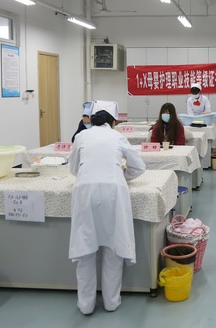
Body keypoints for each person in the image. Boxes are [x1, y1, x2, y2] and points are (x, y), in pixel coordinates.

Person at [68, 102, 146, 315]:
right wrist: (121, 174)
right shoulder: (117, 137)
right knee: (114, 247)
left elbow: (73, 168)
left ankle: (86, 305)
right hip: (114, 191)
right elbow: (139, 167)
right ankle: (111, 302)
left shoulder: (81, 136)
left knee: (85, 248)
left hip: (85, 191)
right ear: (113, 121)